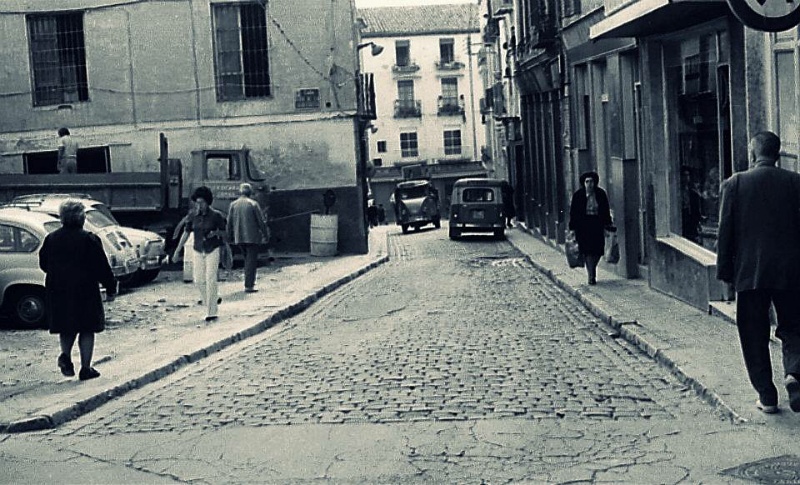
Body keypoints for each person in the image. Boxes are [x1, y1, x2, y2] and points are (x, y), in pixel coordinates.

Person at [717, 131, 800, 414]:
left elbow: (725, 233)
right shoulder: (795, 183)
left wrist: (726, 274)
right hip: (791, 272)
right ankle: (795, 374)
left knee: (753, 332)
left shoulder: (735, 183)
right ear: (777, 154)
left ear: (753, 154)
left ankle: (767, 395)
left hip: (749, 273)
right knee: (794, 326)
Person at [39, 200, 117, 381]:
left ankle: (65, 355)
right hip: (84, 291)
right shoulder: (89, 239)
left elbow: (44, 264)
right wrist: (111, 287)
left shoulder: (51, 239)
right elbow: (102, 267)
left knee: (66, 326)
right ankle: (85, 368)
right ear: (81, 218)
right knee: (87, 328)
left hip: (58, 290)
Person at [172, 186, 227, 321]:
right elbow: (186, 232)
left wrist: (216, 233)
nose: (199, 205)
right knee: (198, 279)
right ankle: (211, 299)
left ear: (208, 202)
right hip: (197, 248)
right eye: (197, 202)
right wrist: (178, 249)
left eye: (201, 202)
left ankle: (211, 312)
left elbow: (225, 232)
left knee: (210, 278)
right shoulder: (192, 216)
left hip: (212, 249)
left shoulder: (216, 215)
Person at [568, 171, 613, 286]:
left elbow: (605, 209)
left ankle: (592, 269)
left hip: (597, 224)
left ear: (595, 183)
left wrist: (608, 223)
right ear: (584, 183)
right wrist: (572, 228)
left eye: (592, 181)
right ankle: (591, 275)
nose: (590, 184)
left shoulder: (601, 194)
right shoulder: (578, 196)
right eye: (587, 182)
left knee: (597, 250)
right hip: (583, 226)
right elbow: (573, 212)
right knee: (587, 250)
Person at [227, 183, 269, 293]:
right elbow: (261, 222)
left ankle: (248, 282)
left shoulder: (233, 204)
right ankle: (249, 285)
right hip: (252, 237)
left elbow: (229, 222)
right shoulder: (253, 204)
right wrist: (266, 235)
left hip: (239, 237)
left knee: (247, 260)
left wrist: (229, 236)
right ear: (250, 192)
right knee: (251, 261)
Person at [680, 167, 703, 244]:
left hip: (691, 222)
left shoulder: (693, 193)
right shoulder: (677, 193)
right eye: (684, 175)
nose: (686, 178)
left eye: (687, 175)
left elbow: (696, 210)